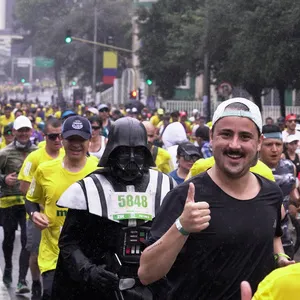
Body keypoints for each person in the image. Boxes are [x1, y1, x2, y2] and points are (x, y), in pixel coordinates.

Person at [138, 98, 293, 300]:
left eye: (245, 136)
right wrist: (181, 227)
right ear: (212, 137)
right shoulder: (185, 196)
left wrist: (279, 258)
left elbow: (272, 234)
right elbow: (147, 273)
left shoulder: (271, 194)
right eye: (226, 134)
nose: (234, 145)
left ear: (258, 142)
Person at [51, 117, 175, 300]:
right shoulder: (89, 189)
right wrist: (88, 270)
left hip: (153, 285)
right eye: (125, 152)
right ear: (113, 152)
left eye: (138, 152)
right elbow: (69, 242)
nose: (132, 160)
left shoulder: (165, 186)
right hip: (103, 286)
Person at [25, 116, 98, 300]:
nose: (76, 145)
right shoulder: (44, 169)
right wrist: (34, 214)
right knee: (50, 294)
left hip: (87, 256)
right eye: (71, 139)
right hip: (52, 254)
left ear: (90, 140)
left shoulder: (99, 170)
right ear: (62, 140)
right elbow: (30, 199)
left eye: (81, 140)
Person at [18, 118, 64, 299]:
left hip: (63, 217)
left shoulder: (67, 155)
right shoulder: (34, 157)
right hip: (40, 217)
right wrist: (40, 206)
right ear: (45, 137)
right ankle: (36, 282)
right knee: (37, 253)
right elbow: (24, 187)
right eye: (53, 137)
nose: (58, 140)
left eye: (61, 136)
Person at [0, 115, 38, 294]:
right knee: (8, 239)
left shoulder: (37, 153)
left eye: (26, 130)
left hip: (28, 204)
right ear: (14, 132)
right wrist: (3, 179)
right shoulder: (4, 153)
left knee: (26, 241)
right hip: (8, 203)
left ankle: (22, 280)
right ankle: (8, 267)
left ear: (31, 131)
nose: (23, 134)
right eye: (20, 130)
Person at [259, 124, 300, 259]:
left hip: (285, 236)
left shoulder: (289, 167)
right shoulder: (250, 169)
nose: (274, 149)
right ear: (259, 145)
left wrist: (296, 203)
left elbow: (293, 195)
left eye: (278, 144)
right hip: (260, 238)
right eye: (269, 144)